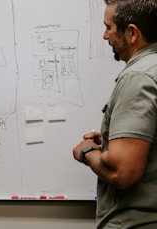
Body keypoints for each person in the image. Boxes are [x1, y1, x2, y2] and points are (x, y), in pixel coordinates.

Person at [72, 0, 157, 228]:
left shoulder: (138, 77)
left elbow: (123, 171)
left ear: (131, 33)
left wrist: (86, 152)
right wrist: (111, 142)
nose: (104, 35)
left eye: (108, 27)